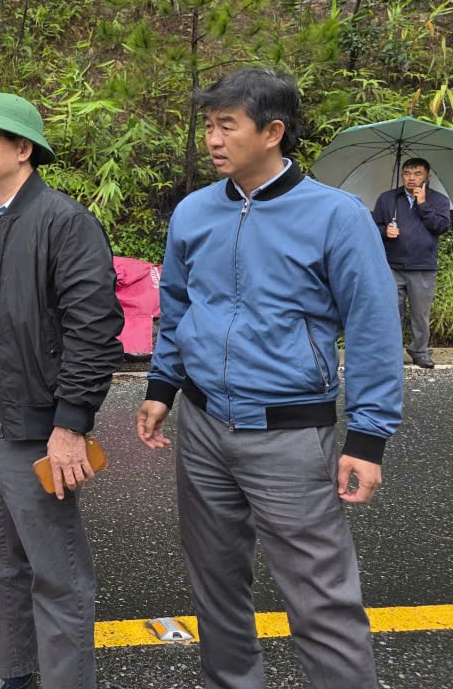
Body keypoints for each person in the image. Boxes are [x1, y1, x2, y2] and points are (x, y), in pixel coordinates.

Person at [136, 67, 403, 689]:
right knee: (215, 583)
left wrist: (367, 437)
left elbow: (372, 328)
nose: (213, 139)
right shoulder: (194, 212)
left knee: (320, 596)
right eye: (208, 125)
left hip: (288, 435)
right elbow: (176, 306)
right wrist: (161, 389)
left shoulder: (336, 217)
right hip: (202, 427)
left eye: (227, 125)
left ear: (273, 132)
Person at [0, 94, 123, 689]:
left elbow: (95, 329)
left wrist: (70, 426)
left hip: (35, 431)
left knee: (57, 572)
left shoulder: (64, 222)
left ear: (22, 149)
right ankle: (13, 675)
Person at [371, 157, 451, 369]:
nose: (412, 178)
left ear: (428, 177)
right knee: (391, 311)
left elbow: (441, 226)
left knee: (420, 313)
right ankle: (391, 352)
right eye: (407, 174)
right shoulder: (388, 199)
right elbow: (371, 227)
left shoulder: (439, 200)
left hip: (423, 266)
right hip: (392, 265)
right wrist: (384, 231)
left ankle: (420, 351)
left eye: (417, 174)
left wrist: (423, 204)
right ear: (402, 175)